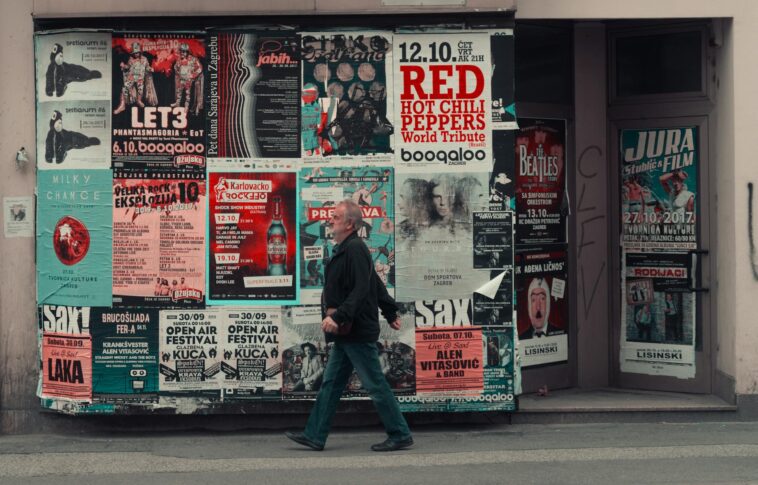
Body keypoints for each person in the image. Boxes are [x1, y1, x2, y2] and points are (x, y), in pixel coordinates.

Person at [285, 199, 413, 452]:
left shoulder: (354, 248)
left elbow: (362, 288)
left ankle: (399, 434)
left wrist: (338, 316)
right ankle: (315, 435)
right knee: (331, 384)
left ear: (349, 223)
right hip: (347, 333)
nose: (330, 220)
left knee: (375, 384)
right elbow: (374, 280)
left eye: (335, 217)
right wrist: (390, 310)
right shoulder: (347, 247)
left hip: (355, 330)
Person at [114, 42, 156, 115]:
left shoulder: (144, 59)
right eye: (135, 53)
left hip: (140, 78)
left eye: (137, 52)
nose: (136, 54)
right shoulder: (131, 59)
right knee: (125, 88)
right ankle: (122, 104)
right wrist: (123, 66)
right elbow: (128, 67)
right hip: (132, 77)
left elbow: (147, 67)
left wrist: (151, 69)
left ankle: (139, 100)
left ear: (140, 52)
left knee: (140, 90)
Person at [171, 43, 204, 115]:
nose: (183, 53)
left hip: (188, 80)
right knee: (179, 92)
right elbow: (175, 67)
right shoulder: (179, 59)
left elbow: (200, 68)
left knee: (187, 94)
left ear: (187, 52)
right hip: (181, 79)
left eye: (184, 51)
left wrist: (193, 75)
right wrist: (178, 72)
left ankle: (186, 107)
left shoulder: (193, 59)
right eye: (182, 51)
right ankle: (177, 103)